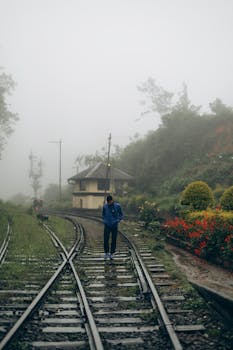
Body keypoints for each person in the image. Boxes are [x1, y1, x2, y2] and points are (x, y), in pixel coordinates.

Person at [102, 195, 123, 260]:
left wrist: (118, 220)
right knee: (106, 239)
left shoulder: (117, 206)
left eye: (110, 202)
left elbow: (121, 215)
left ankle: (112, 253)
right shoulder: (105, 206)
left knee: (114, 239)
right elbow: (103, 214)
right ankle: (106, 253)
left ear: (112, 200)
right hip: (107, 225)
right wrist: (105, 220)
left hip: (114, 225)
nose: (109, 203)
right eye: (108, 202)